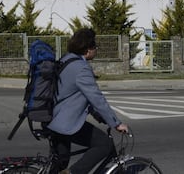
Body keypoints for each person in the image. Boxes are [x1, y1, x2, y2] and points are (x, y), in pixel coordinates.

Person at [47, 28, 129, 174]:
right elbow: (96, 98)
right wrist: (116, 123)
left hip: (53, 118)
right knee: (104, 144)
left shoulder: (66, 59)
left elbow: (76, 95)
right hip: (65, 122)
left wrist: (98, 116)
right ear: (88, 49)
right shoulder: (82, 68)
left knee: (59, 164)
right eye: (95, 46)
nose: (96, 49)